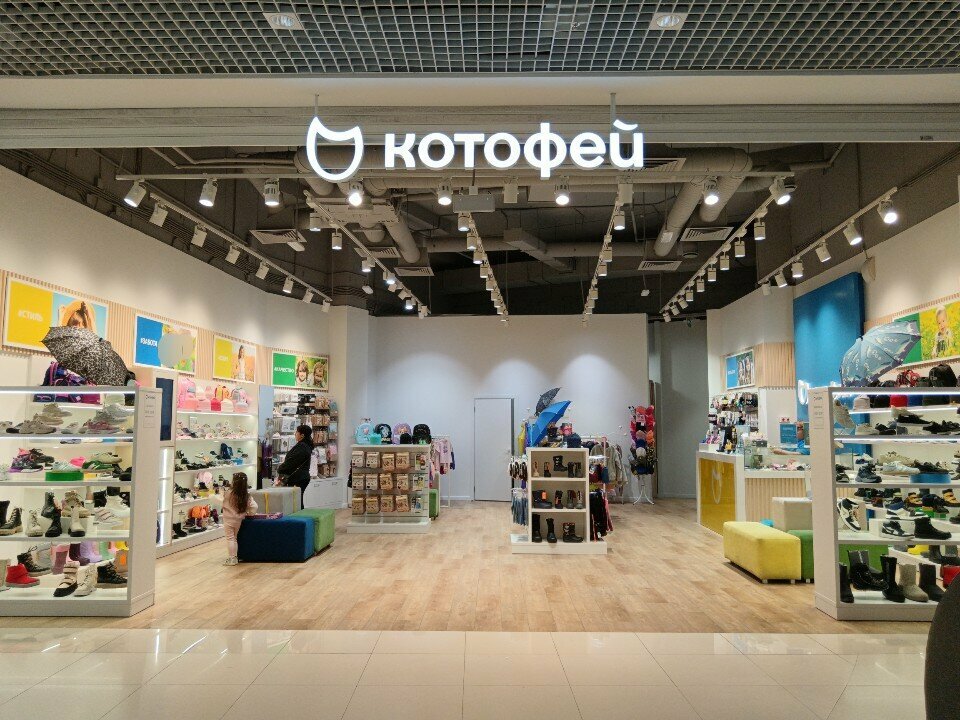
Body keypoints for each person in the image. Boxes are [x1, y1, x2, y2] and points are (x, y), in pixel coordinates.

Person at [221, 472, 257, 566]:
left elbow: (219, 499)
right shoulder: (246, 495)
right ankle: (234, 557)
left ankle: (232, 558)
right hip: (239, 519)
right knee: (234, 538)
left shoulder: (228, 493)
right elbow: (254, 506)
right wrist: (249, 513)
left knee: (230, 538)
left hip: (228, 518)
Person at [276, 424, 313, 501]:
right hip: (301, 477)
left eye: (296, 432)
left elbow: (292, 462)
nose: (295, 434)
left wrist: (280, 469)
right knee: (297, 500)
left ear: (302, 435)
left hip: (298, 478)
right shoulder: (306, 445)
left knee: (295, 501)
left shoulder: (302, 446)